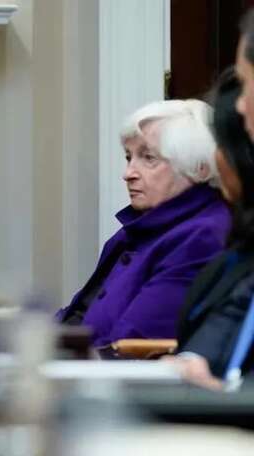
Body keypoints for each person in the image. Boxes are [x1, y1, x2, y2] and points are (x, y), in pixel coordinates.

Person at [57, 99, 231, 347]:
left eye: (149, 158)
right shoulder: (135, 230)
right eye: (129, 157)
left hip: (115, 369)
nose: (128, 173)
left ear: (200, 168)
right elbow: (78, 317)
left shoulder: (203, 237)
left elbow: (133, 344)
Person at [172, 68, 254, 391]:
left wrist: (218, 393)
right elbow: (211, 344)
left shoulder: (204, 233)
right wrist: (188, 363)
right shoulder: (237, 256)